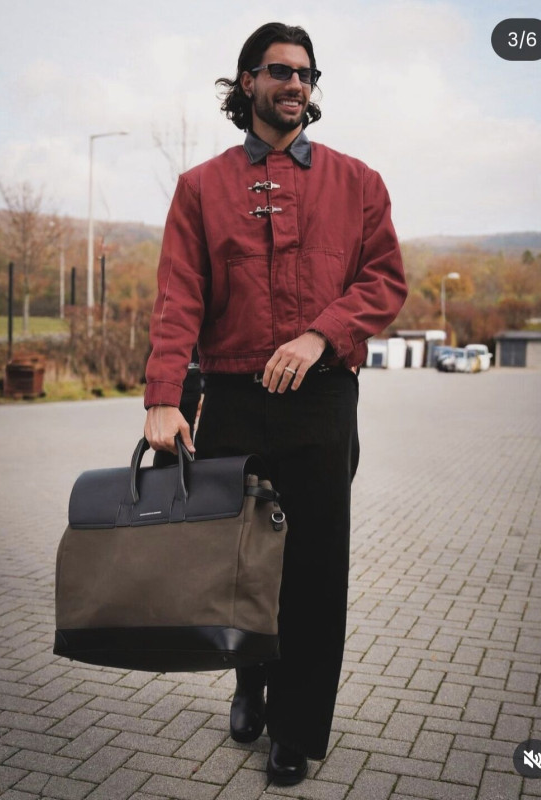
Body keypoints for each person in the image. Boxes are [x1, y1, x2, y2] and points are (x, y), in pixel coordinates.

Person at [143, 21, 407, 786]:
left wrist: (321, 335)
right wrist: (164, 397)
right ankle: (249, 683)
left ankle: (296, 727)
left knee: (314, 571)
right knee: (240, 564)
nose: (296, 84)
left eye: (306, 74)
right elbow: (178, 300)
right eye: (280, 70)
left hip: (322, 401)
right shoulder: (200, 188)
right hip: (231, 397)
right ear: (247, 82)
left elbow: (385, 281)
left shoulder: (359, 182)